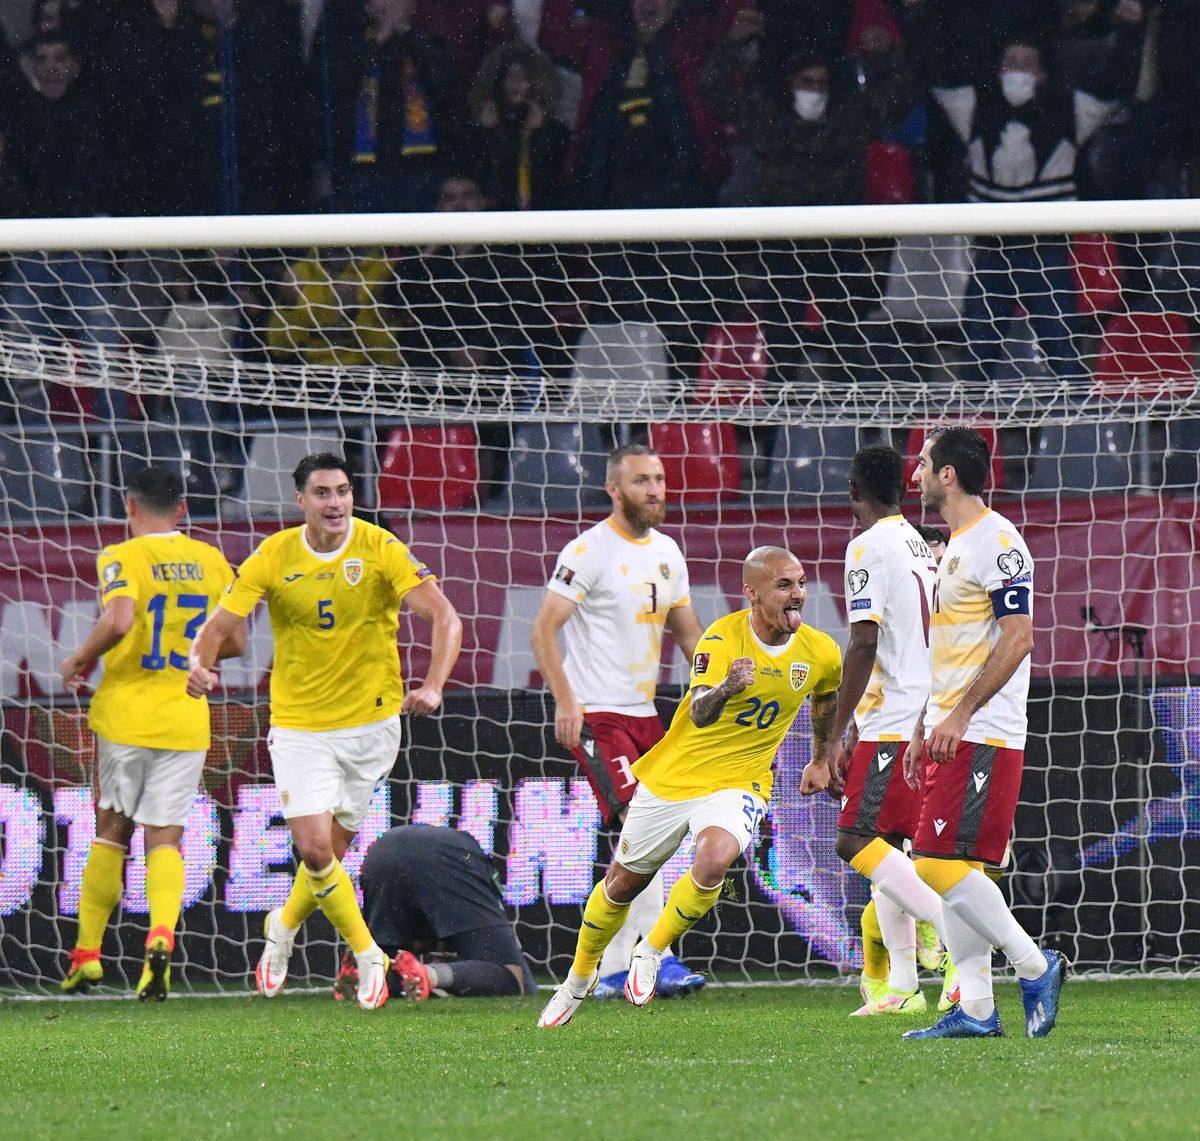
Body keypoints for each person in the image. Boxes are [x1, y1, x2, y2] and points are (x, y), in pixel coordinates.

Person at [187, 452, 462, 1010]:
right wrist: (200, 662)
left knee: (327, 858)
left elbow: (445, 617)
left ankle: (282, 929)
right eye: (322, 493)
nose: (334, 502)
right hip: (299, 726)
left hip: (372, 726)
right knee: (314, 851)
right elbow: (218, 626)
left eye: (341, 491)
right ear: (301, 501)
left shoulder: (381, 548)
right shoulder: (275, 553)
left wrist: (433, 685)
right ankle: (369, 956)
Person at [538, 545, 843, 1028]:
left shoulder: (821, 651)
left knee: (715, 857)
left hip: (740, 781)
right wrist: (727, 688)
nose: (798, 596)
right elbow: (700, 710)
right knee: (621, 885)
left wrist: (821, 758)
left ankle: (652, 950)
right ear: (752, 593)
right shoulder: (721, 639)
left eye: (801, 583)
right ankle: (577, 980)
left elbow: (826, 702)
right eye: (784, 586)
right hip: (675, 777)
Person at [901, 426, 1065, 1039]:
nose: (913, 474)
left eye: (922, 463)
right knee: (956, 868)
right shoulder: (954, 545)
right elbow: (949, 652)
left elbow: (1018, 637)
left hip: (985, 730)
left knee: (934, 864)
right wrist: (924, 725)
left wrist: (963, 713)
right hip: (950, 726)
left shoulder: (997, 541)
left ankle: (1034, 964)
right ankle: (974, 1008)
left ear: (948, 475)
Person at [59, 465, 243, 1000]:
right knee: (166, 838)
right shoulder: (211, 561)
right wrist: (197, 656)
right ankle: (160, 938)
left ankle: (88, 957)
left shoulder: (121, 556)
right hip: (185, 717)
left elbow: (118, 620)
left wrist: (78, 660)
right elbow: (233, 641)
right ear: (182, 509)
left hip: (126, 717)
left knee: (110, 833)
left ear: (129, 505)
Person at [530, 444, 706, 1001]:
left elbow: (690, 635)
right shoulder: (588, 550)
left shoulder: (668, 552)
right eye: (641, 481)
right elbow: (542, 630)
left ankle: (623, 961)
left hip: (646, 714)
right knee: (640, 825)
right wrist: (565, 701)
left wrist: (717, 686)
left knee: (657, 831)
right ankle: (642, 959)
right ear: (614, 489)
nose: (654, 490)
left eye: (658, 478)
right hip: (597, 712)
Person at [829, 445, 953, 1018]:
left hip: (896, 720)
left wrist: (835, 736)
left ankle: (950, 930)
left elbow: (863, 641)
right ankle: (903, 987)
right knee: (890, 849)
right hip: (916, 711)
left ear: (855, 493)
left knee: (854, 840)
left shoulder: (867, 545)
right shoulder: (917, 544)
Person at [333, 824, 536, 1001]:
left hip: (381, 850)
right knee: (513, 977)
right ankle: (429, 976)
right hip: (446, 855)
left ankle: (364, 975)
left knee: (384, 962)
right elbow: (520, 979)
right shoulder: (470, 873)